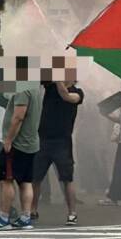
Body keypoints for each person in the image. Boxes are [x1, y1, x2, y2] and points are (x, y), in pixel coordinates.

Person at [0, 68, 43, 231]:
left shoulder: (23, 90)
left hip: (17, 144)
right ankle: (25, 218)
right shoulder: (36, 90)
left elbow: (18, 117)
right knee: (25, 181)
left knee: (6, 180)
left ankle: (3, 218)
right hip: (31, 143)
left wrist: (8, 140)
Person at [31, 80, 85, 225]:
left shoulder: (78, 93)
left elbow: (66, 96)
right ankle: (32, 210)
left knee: (67, 178)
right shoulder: (50, 86)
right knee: (35, 178)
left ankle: (72, 213)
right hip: (43, 139)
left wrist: (58, 79)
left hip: (62, 141)